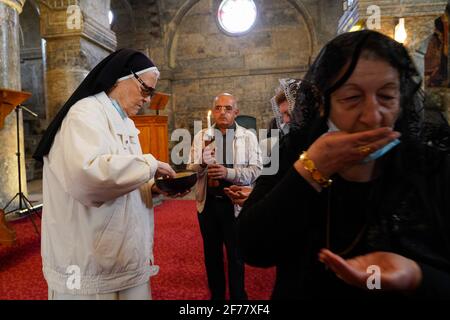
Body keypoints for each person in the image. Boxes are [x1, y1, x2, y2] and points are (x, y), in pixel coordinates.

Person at [237, 30, 450, 299]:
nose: (373, 116)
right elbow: (253, 249)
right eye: (352, 98)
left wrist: (417, 276)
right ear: (325, 104)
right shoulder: (294, 152)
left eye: (387, 97)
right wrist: (310, 171)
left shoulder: (432, 167)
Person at [33, 49, 177, 300]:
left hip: (122, 258)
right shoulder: (85, 114)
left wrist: (152, 187)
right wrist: (149, 165)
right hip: (89, 263)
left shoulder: (124, 122)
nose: (147, 99)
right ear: (122, 78)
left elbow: (121, 176)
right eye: (146, 90)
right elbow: (88, 178)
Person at [187, 93, 262, 300]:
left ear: (236, 112)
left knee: (236, 255)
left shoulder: (248, 137)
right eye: (218, 108)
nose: (222, 112)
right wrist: (201, 163)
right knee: (212, 255)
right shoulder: (202, 136)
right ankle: (217, 297)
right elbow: (190, 169)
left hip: (234, 204)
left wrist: (228, 173)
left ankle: (238, 298)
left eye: (228, 108)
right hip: (208, 204)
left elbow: (256, 170)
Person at [225, 79, 301, 207]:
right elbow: (277, 182)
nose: (285, 120)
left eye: (289, 113)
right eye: (282, 115)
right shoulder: (285, 143)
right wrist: (255, 194)